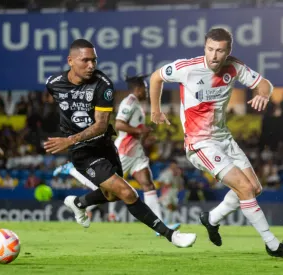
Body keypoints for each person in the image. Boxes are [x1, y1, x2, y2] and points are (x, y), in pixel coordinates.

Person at [148, 28, 283, 259]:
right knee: (244, 188)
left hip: (224, 138)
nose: (214, 55)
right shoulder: (187, 68)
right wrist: (155, 110)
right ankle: (273, 245)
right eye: (210, 49)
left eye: (220, 51)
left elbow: (265, 84)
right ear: (204, 48)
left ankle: (210, 219)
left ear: (227, 51)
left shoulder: (234, 67)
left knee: (255, 188)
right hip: (200, 143)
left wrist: (263, 94)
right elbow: (156, 76)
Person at [44, 39, 196, 248]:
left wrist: (69, 138)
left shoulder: (102, 85)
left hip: (105, 146)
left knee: (112, 195)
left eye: (94, 60)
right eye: (85, 60)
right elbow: (62, 103)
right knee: (127, 192)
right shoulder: (54, 83)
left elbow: (100, 125)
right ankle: (171, 235)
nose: (91, 65)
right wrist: (70, 138)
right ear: (70, 61)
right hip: (82, 151)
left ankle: (78, 203)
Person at [53, 75, 181, 232]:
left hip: (136, 152)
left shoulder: (138, 105)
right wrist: (139, 130)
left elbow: (133, 129)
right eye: (146, 88)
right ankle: (72, 171)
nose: (147, 91)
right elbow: (119, 124)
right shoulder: (129, 102)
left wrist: (144, 135)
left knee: (147, 184)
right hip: (125, 150)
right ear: (138, 88)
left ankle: (160, 224)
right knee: (108, 187)